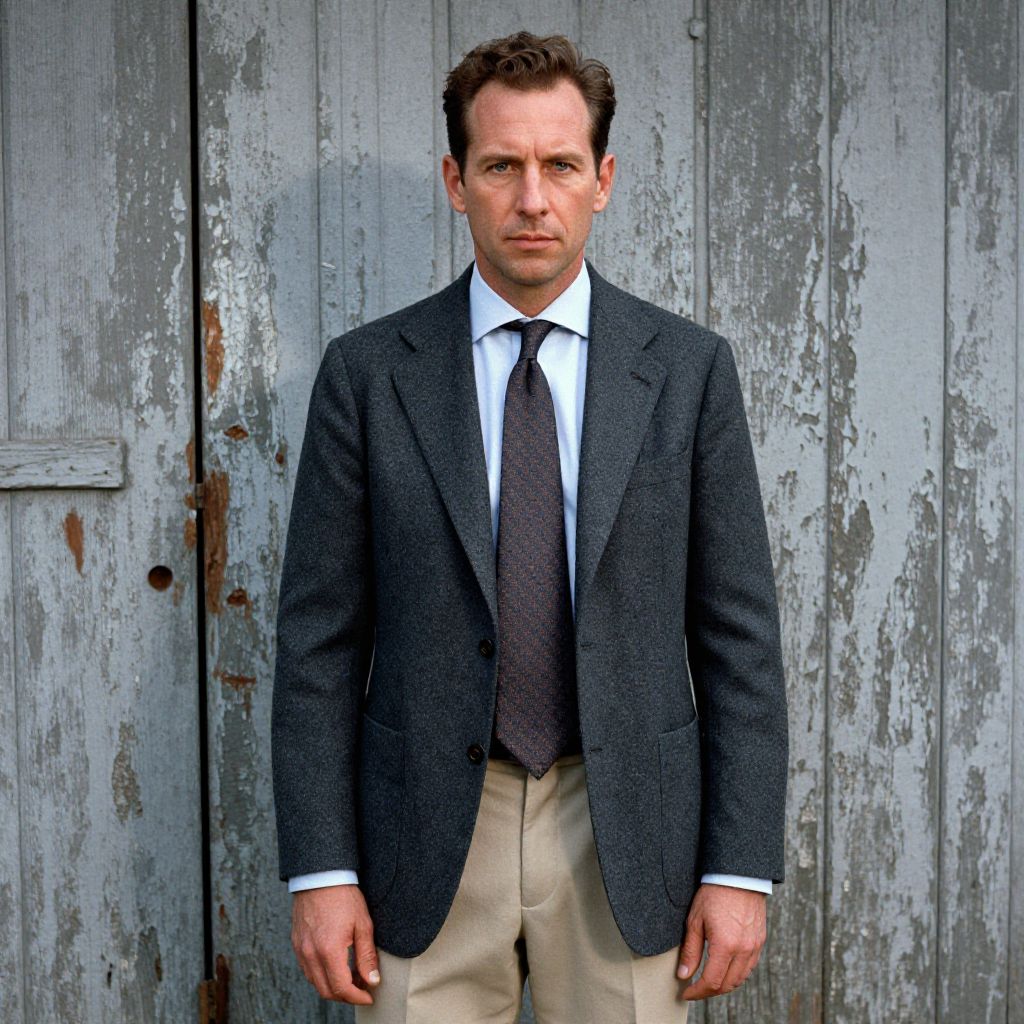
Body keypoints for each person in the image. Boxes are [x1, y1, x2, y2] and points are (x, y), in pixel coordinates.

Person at [272, 30, 788, 1023]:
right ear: (456, 180)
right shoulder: (369, 373)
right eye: (500, 166)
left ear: (603, 177)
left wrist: (740, 867)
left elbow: (739, 638)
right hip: (423, 830)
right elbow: (317, 646)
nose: (532, 197)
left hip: (624, 821)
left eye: (558, 165)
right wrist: (321, 868)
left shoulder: (686, 371)